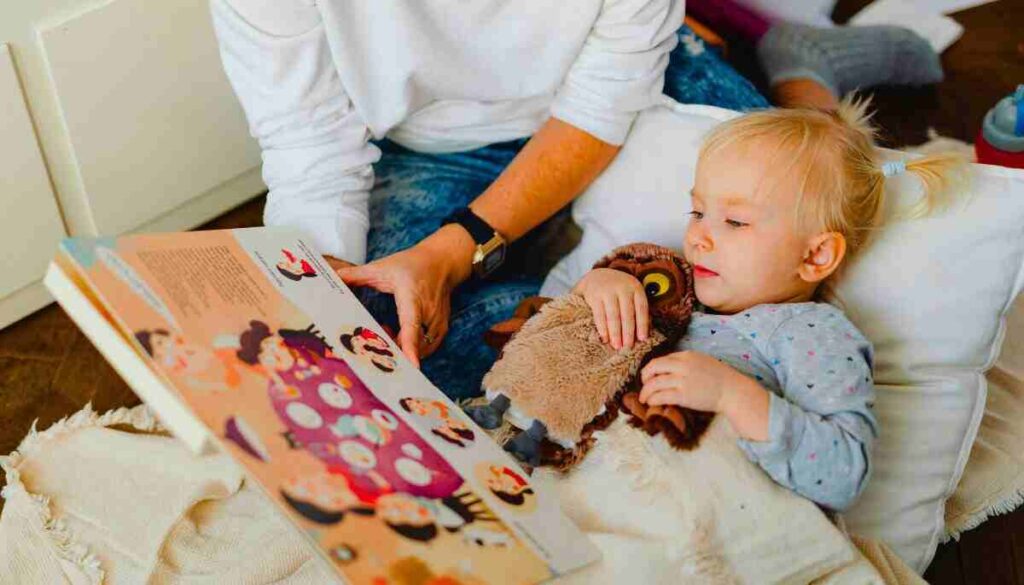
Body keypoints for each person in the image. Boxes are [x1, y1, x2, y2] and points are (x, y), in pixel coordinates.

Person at [211, 0, 769, 399]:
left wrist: (450, 257)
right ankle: (560, 307)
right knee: (356, 359)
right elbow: (311, 146)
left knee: (770, 257)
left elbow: (602, 106)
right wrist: (323, 282)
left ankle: (801, 62)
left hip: (622, 101)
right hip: (433, 147)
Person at [572, 98, 963, 510]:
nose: (698, 237)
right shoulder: (671, 285)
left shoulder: (811, 331)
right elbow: (556, 346)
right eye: (698, 211)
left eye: (735, 222)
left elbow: (843, 473)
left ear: (815, 256)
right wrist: (599, 284)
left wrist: (730, 396)